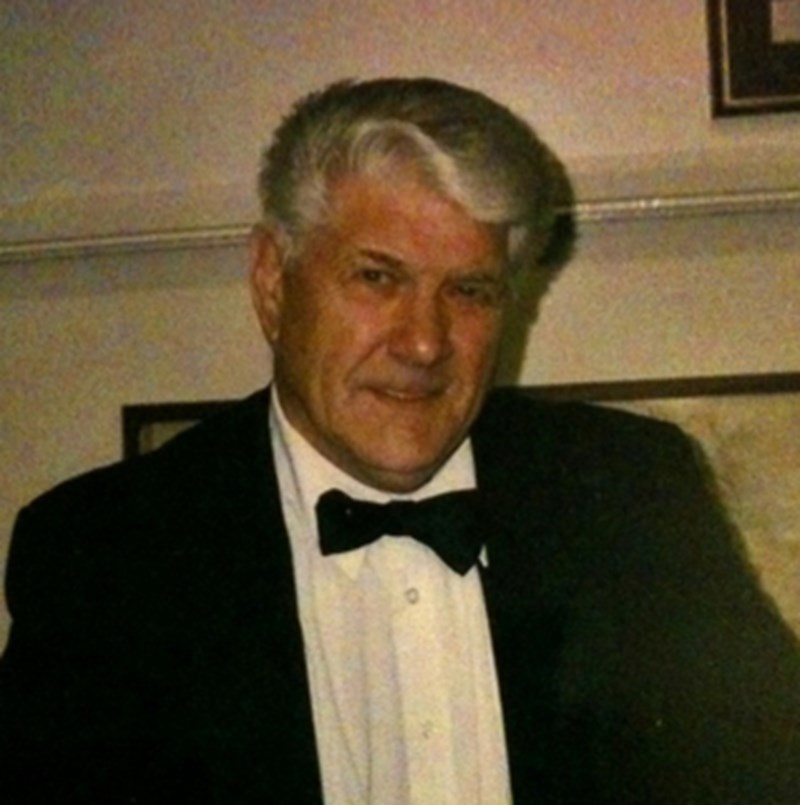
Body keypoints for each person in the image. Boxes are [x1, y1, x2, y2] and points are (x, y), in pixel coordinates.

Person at [1, 77, 799, 804]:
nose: (424, 342)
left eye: (470, 290)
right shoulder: (110, 552)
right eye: (377, 278)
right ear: (273, 282)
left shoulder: (629, 493)